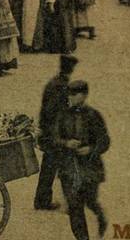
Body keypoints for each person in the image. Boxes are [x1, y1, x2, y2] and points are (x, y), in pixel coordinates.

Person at [53, 80, 111, 240]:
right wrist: (66, 143)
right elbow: (54, 139)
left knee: (90, 201)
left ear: (84, 96)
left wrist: (91, 149)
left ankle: (101, 217)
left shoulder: (93, 115)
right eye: (69, 94)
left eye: (74, 94)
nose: (70, 98)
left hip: (90, 168)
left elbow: (105, 140)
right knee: (75, 207)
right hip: (69, 168)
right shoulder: (62, 115)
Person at [34, 54, 77, 211]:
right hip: (55, 135)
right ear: (70, 70)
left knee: (49, 168)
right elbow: (54, 112)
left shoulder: (54, 83)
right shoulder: (61, 86)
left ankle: (42, 201)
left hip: (49, 133)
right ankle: (72, 204)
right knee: (65, 168)